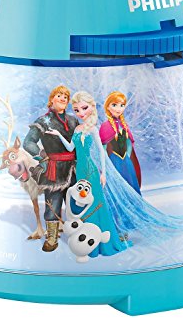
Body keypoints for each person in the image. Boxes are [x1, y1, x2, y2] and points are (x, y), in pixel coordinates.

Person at [47, 91, 129, 257]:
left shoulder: (93, 129)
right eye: (77, 110)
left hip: (91, 171)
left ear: (92, 107)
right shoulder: (78, 129)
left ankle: (101, 242)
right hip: (80, 170)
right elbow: (71, 148)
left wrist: (103, 173)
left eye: (84, 108)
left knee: (95, 203)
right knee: (84, 202)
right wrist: (59, 135)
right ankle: (86, 241)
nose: (81, 113)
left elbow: (101, 151)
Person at [23, 85, 78, 252]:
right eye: (59, 95)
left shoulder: (73, 121)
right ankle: (52, 237)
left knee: (76, 202)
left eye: (65, 97)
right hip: (54, 168)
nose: (62, 99)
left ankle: (79, 234)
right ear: (52, 99)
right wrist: (42, 156)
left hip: (74, 168)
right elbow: (28, 142)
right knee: (53, 201)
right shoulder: (42, 121)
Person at [100, 91, 142, 193]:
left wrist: (127, 157)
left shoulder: (124, 125)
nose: (119, 109)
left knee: (131, 186)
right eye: (114, 105)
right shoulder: (105, 126)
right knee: (119, 189)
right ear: (108, 107)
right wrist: (107, 165)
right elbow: (103, 149)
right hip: (113, 162)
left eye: (122, 105)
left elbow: (129, 144)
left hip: (126, 162)